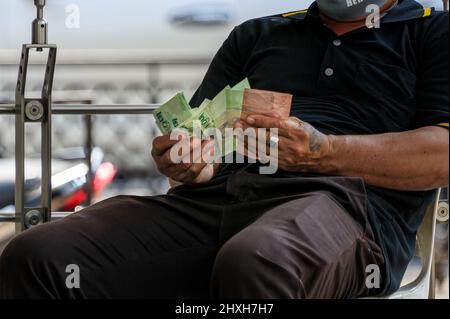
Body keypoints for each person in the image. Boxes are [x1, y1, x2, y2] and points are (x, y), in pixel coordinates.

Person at [0, 0, 448, 299]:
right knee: (38, 257)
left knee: (257, 264)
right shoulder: (259, 34)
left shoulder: (432, 33)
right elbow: (199, 141)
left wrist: (322, 153)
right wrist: (187, 163)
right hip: (214, 200)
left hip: (344, 207)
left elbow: (442, 155)